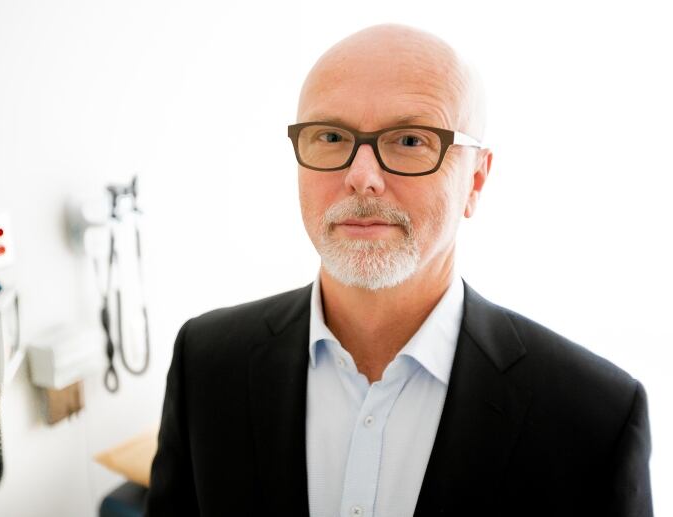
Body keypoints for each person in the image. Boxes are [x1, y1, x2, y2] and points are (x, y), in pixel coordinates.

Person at [144, 24, 652, 517]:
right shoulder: (205, 363)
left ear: (475, 179)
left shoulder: (594, 418)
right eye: (330, 136)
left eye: (410, 141)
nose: (361, 178)